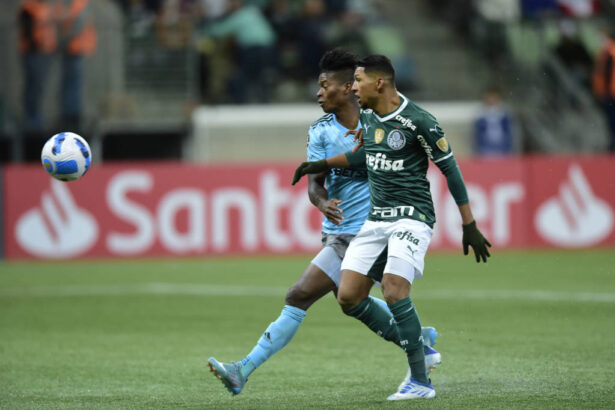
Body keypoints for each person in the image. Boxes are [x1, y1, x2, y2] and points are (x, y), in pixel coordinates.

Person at [207, 48, 441, 396]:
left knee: (300, 294)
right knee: (351, 302)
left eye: (324, 85)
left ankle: (243, 369)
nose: (318, 93)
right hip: (338, 232)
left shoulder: (380, 118)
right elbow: (314, 185)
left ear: (347, 87)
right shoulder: (320, 132)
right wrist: (322, 203)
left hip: (372, 229)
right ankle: (419, 341)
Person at [292, 54, 491, 400]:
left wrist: (468, 224)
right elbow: (362, 156)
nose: (353, 88)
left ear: (378, 83)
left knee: (395, 289)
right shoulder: (368, 117)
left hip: (411, 217)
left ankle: (420, 382)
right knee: (349, 297)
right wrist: (318, 164)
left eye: (358, 81)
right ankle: (422, 347)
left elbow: (451, 170)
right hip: (376, 219)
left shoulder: (419, 121)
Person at [55, 0, 97, 132]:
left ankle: (72, 116)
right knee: (69, 84)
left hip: (77, 48)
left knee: (73, 84)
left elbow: (78, 25)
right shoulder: (67, 4)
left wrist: (64, 40)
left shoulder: (80, 3)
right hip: (69, 49)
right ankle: (68, 115)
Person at [18, 0, 57, 131]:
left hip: (44, 52)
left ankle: (35, 116)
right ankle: (31, 117)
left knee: (39, 86)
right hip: (33, 52)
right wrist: (33, 45)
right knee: (33, 85)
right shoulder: (29, 7)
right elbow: (27, 29)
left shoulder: (44, 7)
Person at [473, 86, 517, 156]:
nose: (491, 99)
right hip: (485, 151)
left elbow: (511, 134)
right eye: (489, 97)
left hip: (503, 150)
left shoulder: (505, 114)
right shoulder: (480, 115)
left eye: (493, 97)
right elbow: (476, 136)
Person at [592, 27, 615, 152]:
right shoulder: (607, 51)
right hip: (608, 93)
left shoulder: (610, 51)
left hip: (611, 94)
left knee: (612, 122)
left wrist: (605, 92)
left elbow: (607, 74)